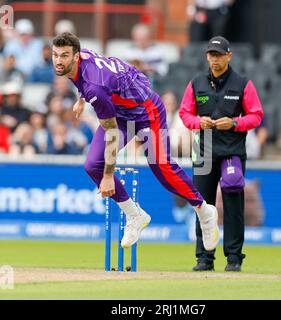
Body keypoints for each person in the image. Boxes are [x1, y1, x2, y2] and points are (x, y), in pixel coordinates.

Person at [51, 32, 219, 251]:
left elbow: (110, 130)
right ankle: (135, 215)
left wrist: (109, 176)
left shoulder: (95, 87)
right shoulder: (82, 58)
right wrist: (81, 99)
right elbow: (86, 81)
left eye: (64, 56)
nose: (58, 60)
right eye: (55, 55)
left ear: (75, 57)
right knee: (92, 165)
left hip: (145, 110)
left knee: (161, 166)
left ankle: (205, 212)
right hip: (120, 111)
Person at [179, 36, 264, 272]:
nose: (214, 59)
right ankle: (204, 258)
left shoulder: (243, 84)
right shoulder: (196, 83)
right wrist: (198, 122)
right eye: (211, 54)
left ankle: (234, 257)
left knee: (233, 203)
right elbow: (185, 114)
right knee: (203, 206)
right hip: (203, 151)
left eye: (218, 55)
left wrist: (235, 124)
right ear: (207, 56)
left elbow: (256, 115)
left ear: (229, 56)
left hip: (231, 152)